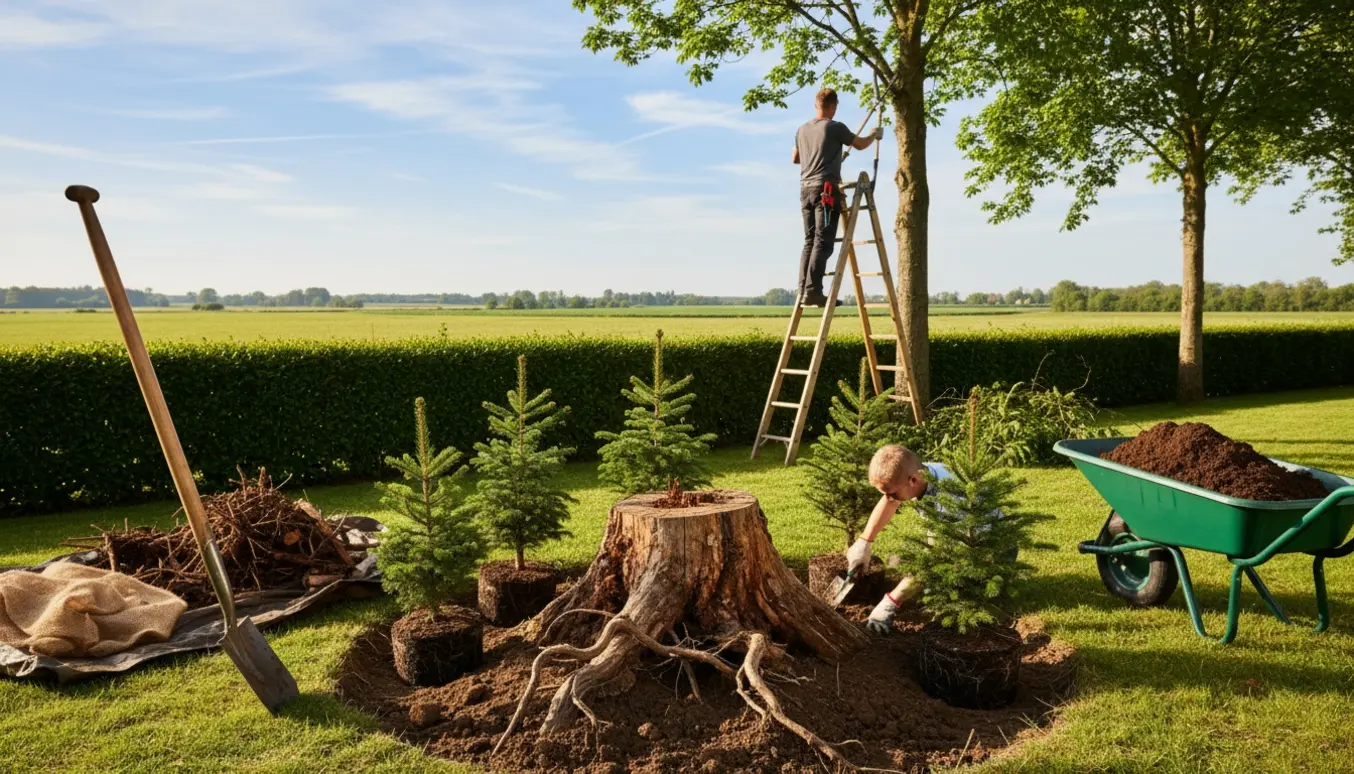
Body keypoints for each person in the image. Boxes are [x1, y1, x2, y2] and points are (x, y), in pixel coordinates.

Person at [845, 444, 1017, 635]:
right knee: (901, 560)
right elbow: (890, 503)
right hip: (951, 535)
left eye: (892, 492)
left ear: (913, 480)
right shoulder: (919, 473)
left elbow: (936, 559)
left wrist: (890, 602)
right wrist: (864, 542)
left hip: (989, 547)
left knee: (967, 595)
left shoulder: (952, 499)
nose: (888, 498)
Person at [793, 88, 883, 307]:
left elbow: (797, 159)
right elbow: (860, 144)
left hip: (805, 190)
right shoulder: (835, 127)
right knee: (823, 242)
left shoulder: (802, 129)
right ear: (833, 106)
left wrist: (828, 155)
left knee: (809, 241)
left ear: (816, 104)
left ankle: (803, 289)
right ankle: (813, 292)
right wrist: (874, 135)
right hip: (825, 191)